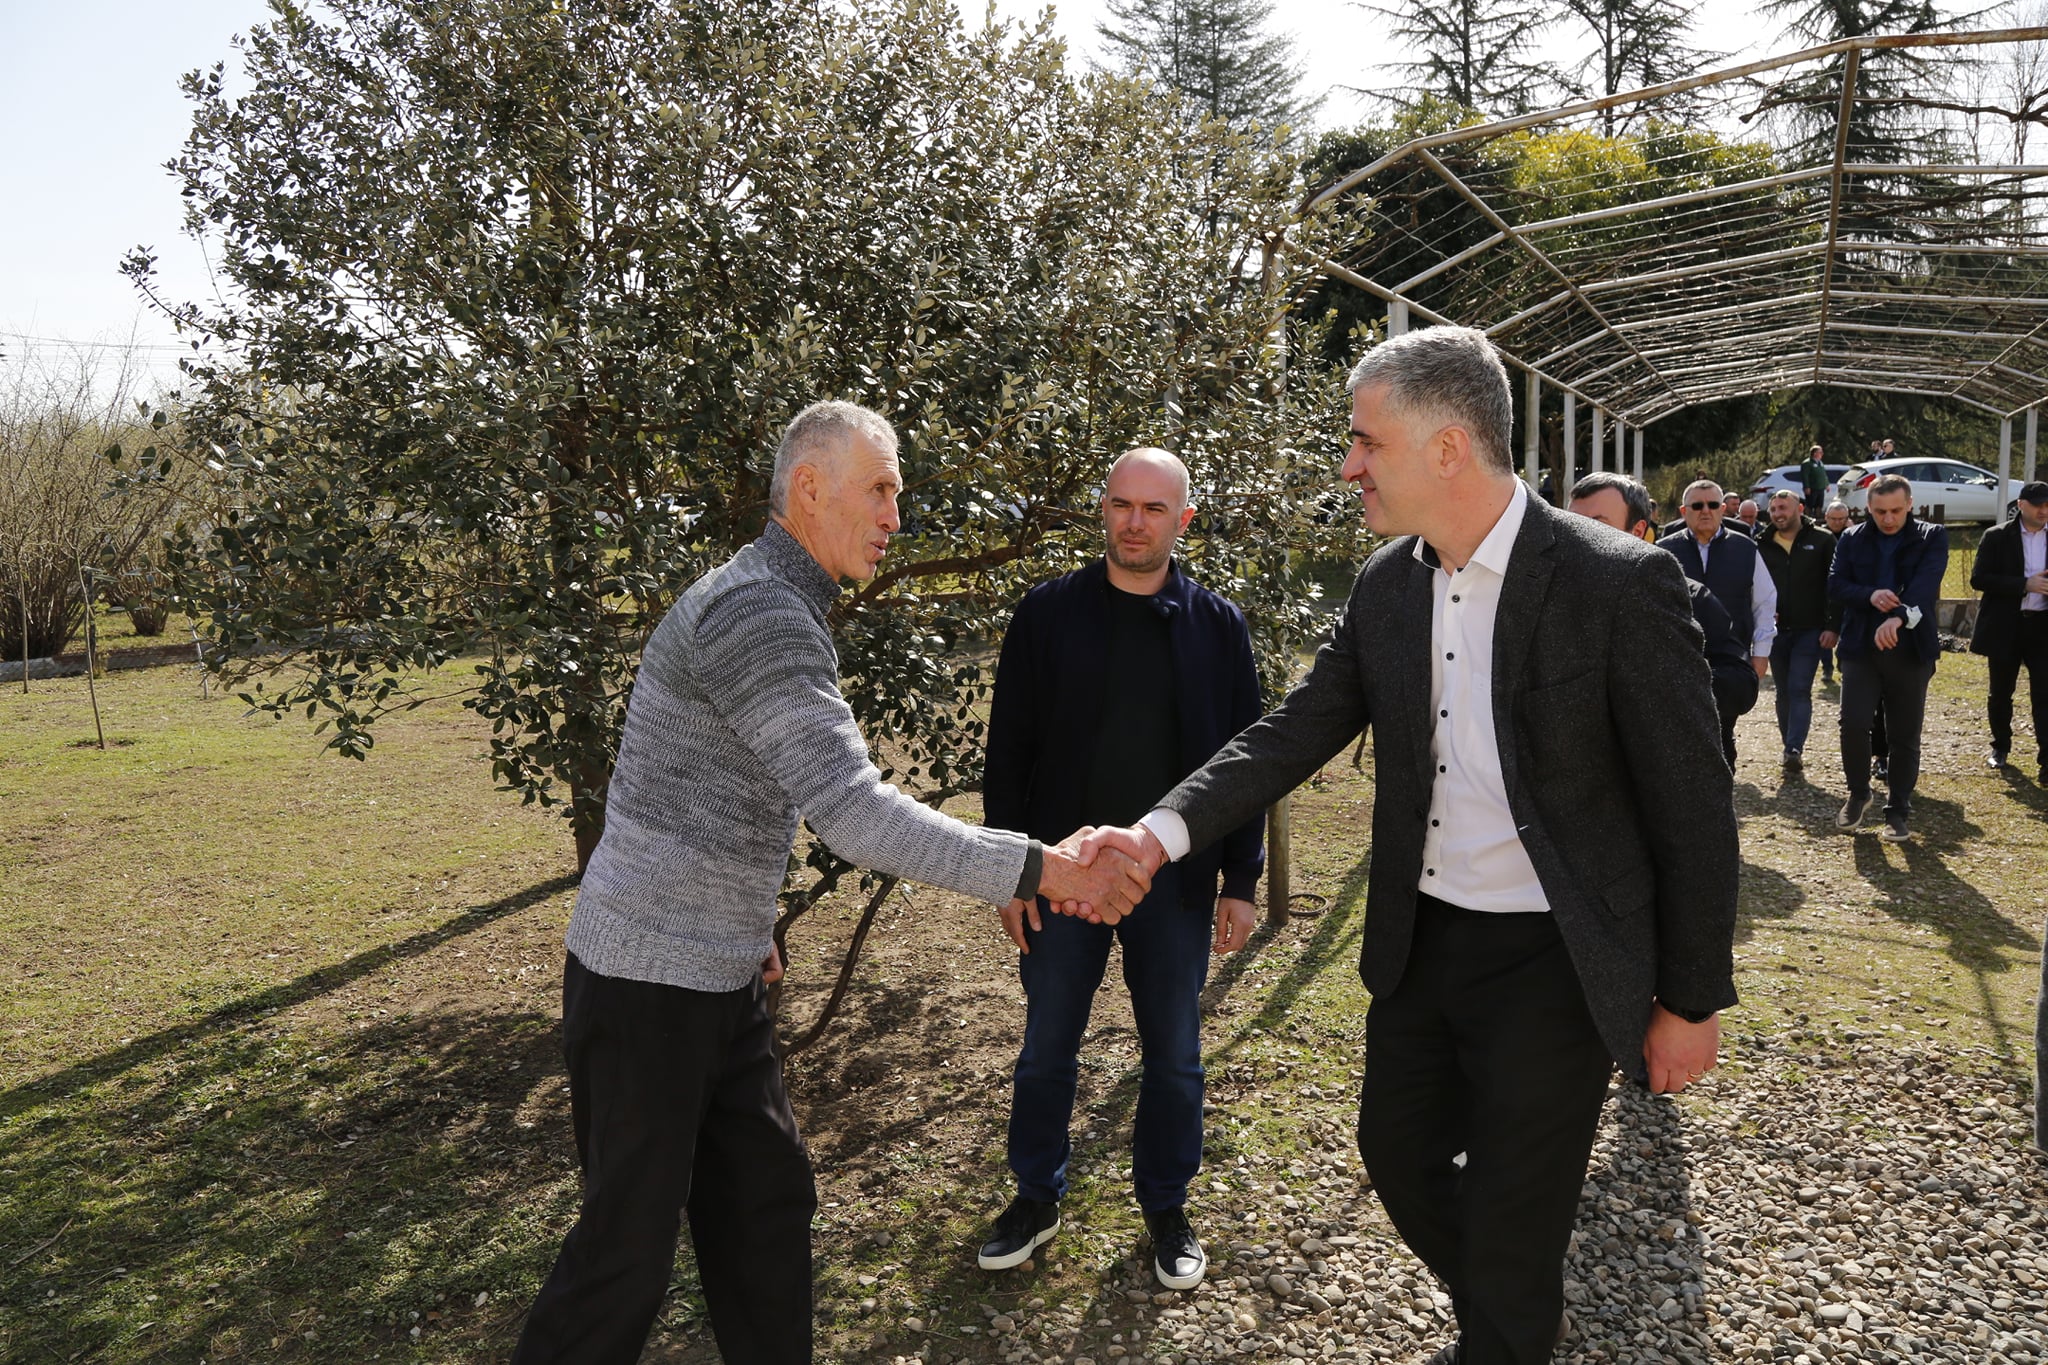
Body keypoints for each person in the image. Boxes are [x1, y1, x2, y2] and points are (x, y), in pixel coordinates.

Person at [1073, 328, 1738, 1365]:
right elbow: (1290, 731)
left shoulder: (1616, 582)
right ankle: (1517, 1311)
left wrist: (1689, 1000)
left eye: (1365, 442)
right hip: (1422, 945)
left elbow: (1693, 806)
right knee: (1395, 1152)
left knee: (1514, 1224)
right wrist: (1157, 835)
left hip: (1557, 960)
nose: (1349, 466)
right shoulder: (1386, 584)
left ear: (1446, 447)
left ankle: (1508, 1327)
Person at [511, 401, 1152, 1365]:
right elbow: (853, 811)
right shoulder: (758, 612)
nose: (897, 516)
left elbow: (715, 781)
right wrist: (1045, 866)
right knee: (623, 1258)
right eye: (881, 489)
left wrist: (750, 917)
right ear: (809, 488)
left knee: (765, 1207)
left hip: (719, 971)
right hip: (646, 980)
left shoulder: (774, 596)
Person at [977, 447, 1265, 1290]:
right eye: (1121, 504)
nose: (1134, 523)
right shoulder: (1047, 613)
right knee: (1046, 1048)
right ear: (1102, 508)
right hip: (1061, 877)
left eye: (1153, 508)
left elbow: (1244, 764)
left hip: (1175, 883)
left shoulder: (1217, 626)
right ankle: (1036, 1195)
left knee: (1174, 1054)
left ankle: (1167, 1206)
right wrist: (1012, 871)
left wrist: (1240, 881)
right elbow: (1008, 753)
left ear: (1184, 520)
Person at [1571, 473, 1754, 736]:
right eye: (1571, 525)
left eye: (1597, 524)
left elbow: (1740, 685)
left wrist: (1664, 684)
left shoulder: (1689, 599)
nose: (1578, 536)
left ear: (1637, 531)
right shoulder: (1545, 597)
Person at [1829, 473, 1949, 842]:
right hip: (1860, 647)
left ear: (1910, 504)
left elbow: (1925, 586)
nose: (1889, 518)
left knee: (1904, 733)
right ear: (1868, 508)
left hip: (1911, 650)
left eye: (1896, 510)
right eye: (1880, 511)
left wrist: (1898, 616)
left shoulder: (1931, 536)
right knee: (1852, 723)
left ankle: (1898, 810)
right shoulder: (1851, 538)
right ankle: (1858, 793)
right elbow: (1836, 583)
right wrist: (1870, 595)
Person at [1659, 480, 1777, 764]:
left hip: (1729, 656)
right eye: (1697, 505)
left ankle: (1721, 780)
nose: (1705, 511)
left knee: (1722, 729)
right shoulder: (1663, 551)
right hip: (1679, 655)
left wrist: (1761, 653)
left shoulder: (1745, 548)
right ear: (1683, 511)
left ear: (1723, 509)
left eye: (1712, 505)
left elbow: (1764, 602)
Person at [1757, 490, 1841, 770]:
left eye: (1784, 508)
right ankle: (1788, 747)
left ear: (1800, 509)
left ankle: (1795, 746)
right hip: (1775, 631)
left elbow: (1835, 586)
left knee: (1799, 687)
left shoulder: (1823, 540)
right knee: (1783, 690)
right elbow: (1754, 586)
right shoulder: (1762, 543)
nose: (1778, 514)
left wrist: (1833, 626)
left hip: (1810, 629)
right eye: (1774, 509)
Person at [1970, 480, 2048, 777]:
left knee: (2044, 694)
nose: (2044, 511)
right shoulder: (1997, 536)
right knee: (2001, 692)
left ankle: (2046, 760)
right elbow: (1979, 579)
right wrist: (2024, 585)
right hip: (2006, 625)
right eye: (2038, 505)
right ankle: (2000, 746)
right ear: (2021, 505)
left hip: (2042, 627)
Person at [1799, 444, 1832, 519]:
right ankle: (1807, 518)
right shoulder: (1807, 463)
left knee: (1819, 504)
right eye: (1820, 452)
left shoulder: (1820, 463)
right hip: (1812, 488)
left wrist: (1827, 484)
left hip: (1820, 488)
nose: (1822, 454)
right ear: (1814, 453)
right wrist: (1806, 487)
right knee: (1810, 504)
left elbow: (1824, 474)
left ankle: (1818, 518)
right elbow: (1805, 476)